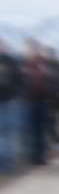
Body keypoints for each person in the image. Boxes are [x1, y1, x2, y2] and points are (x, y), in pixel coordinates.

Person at [22, 40, 59, 166]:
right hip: (28, 101)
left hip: (43, 100)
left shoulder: (46, 64)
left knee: (41, 130)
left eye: (36, 48)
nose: (34, 51)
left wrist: (52, 93)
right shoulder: (23, 63)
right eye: (31, 49)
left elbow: (54, 79)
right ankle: (28, 157)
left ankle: (39, 157)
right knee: (28, 130)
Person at [0, 39, 21, 173]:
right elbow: (20, 81)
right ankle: (6, 164)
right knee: (6, 134)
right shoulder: (11, 61)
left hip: (8, 101)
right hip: (9, 100)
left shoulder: (11, 61)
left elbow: (19, 81)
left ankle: (6, 164)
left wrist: (15, 94)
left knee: (6, 134)